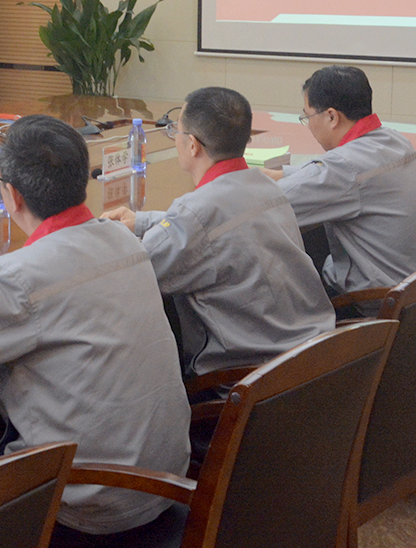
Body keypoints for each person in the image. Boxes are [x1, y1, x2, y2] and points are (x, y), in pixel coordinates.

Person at [0, 115, 189, 542]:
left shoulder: (22, 282)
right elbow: (55, 275)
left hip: (86, 506)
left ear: (12, 195)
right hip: (163, 483)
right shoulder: (122, 239)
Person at [104, 87, 333, 377]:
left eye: (176, 130)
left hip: (251, 380)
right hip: (314, 358)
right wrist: (143, 221)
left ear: (192, 145)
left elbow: (133, 273)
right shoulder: (266, 187)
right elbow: (219, 223)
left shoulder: (194, 215)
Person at [263, 65, 416, 303]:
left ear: (331, 117)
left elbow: (264, 206)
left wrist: (237, 183)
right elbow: (339, 174)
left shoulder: (343, 168)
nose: (308, 125)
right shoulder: (394, 139)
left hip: (385, 304)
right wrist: (277, 174)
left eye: (307, 117)